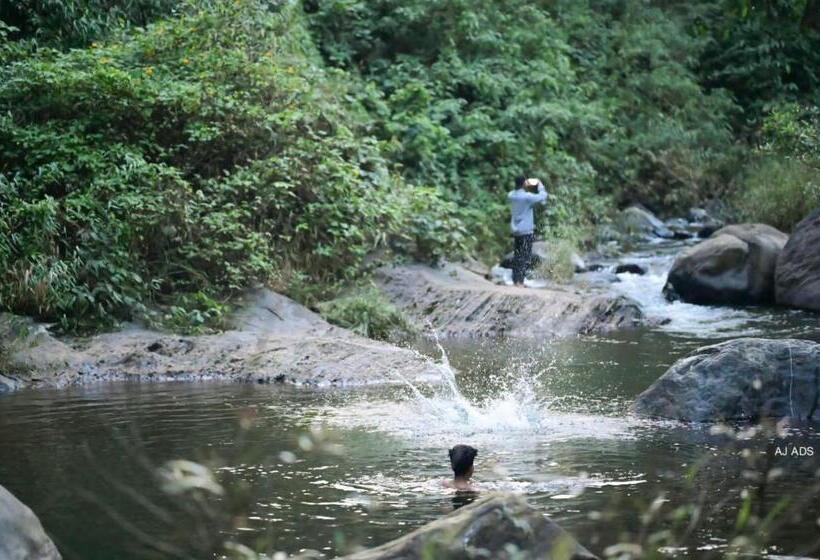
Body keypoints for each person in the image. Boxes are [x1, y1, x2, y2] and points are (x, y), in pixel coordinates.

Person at [508, 175, 547, 286]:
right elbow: (543, 196)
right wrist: (539, 184)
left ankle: (516, 280)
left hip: (516, 230)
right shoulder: (527, 197)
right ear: (524, 183)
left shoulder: (511, 195)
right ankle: (520, 282)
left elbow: (514, 193)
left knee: (517, 255)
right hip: (526, 231)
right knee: (524, 256)